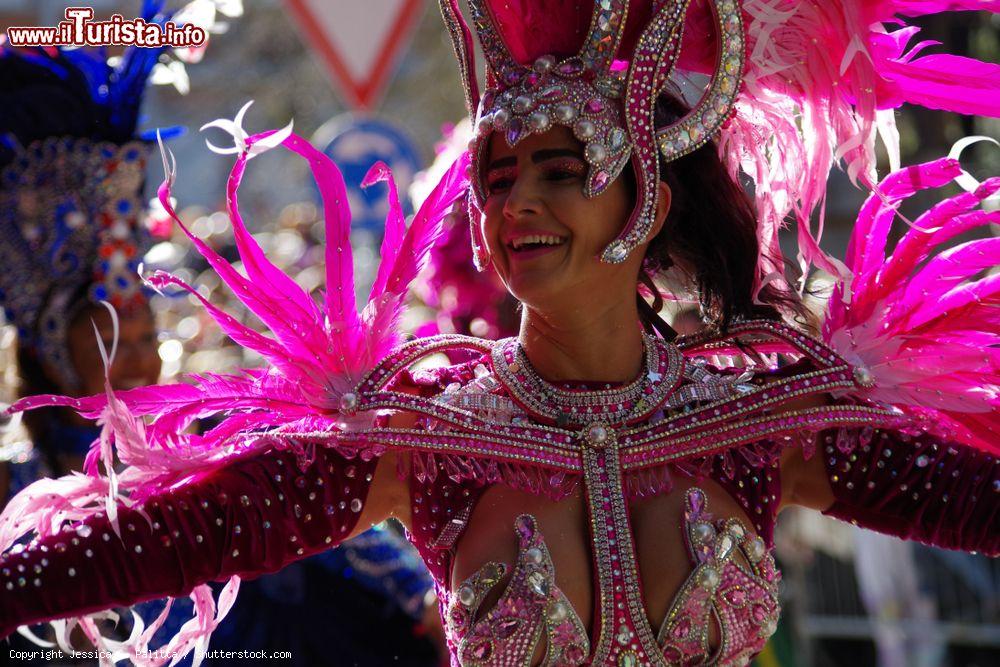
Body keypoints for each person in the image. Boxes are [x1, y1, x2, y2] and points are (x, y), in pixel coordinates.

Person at [1, 2, 998, 666]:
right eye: (496, 175)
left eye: (561, 170)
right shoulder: (417, 439)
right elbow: (156, 542)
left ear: (645, 199)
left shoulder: (760, 426)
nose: (518, 200)